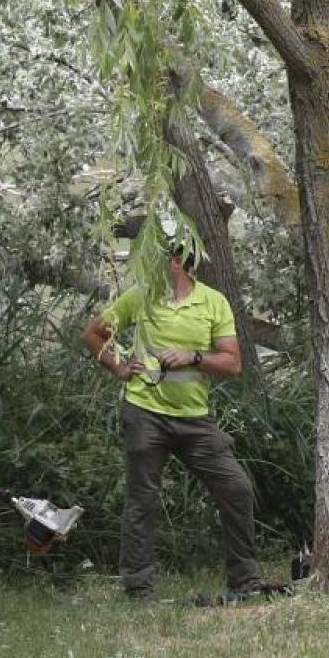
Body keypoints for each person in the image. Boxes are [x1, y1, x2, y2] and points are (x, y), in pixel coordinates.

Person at [81, 241, 266, 602]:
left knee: (237, 488)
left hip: (195, 420)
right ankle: (138, 588)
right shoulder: (141, 296)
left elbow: (233, 364)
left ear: (178, 262)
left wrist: (194, 357)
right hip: (144, 412)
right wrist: (119, 368)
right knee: (142, 500)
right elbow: (93, 334)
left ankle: (244, 583)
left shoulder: (213, 302)